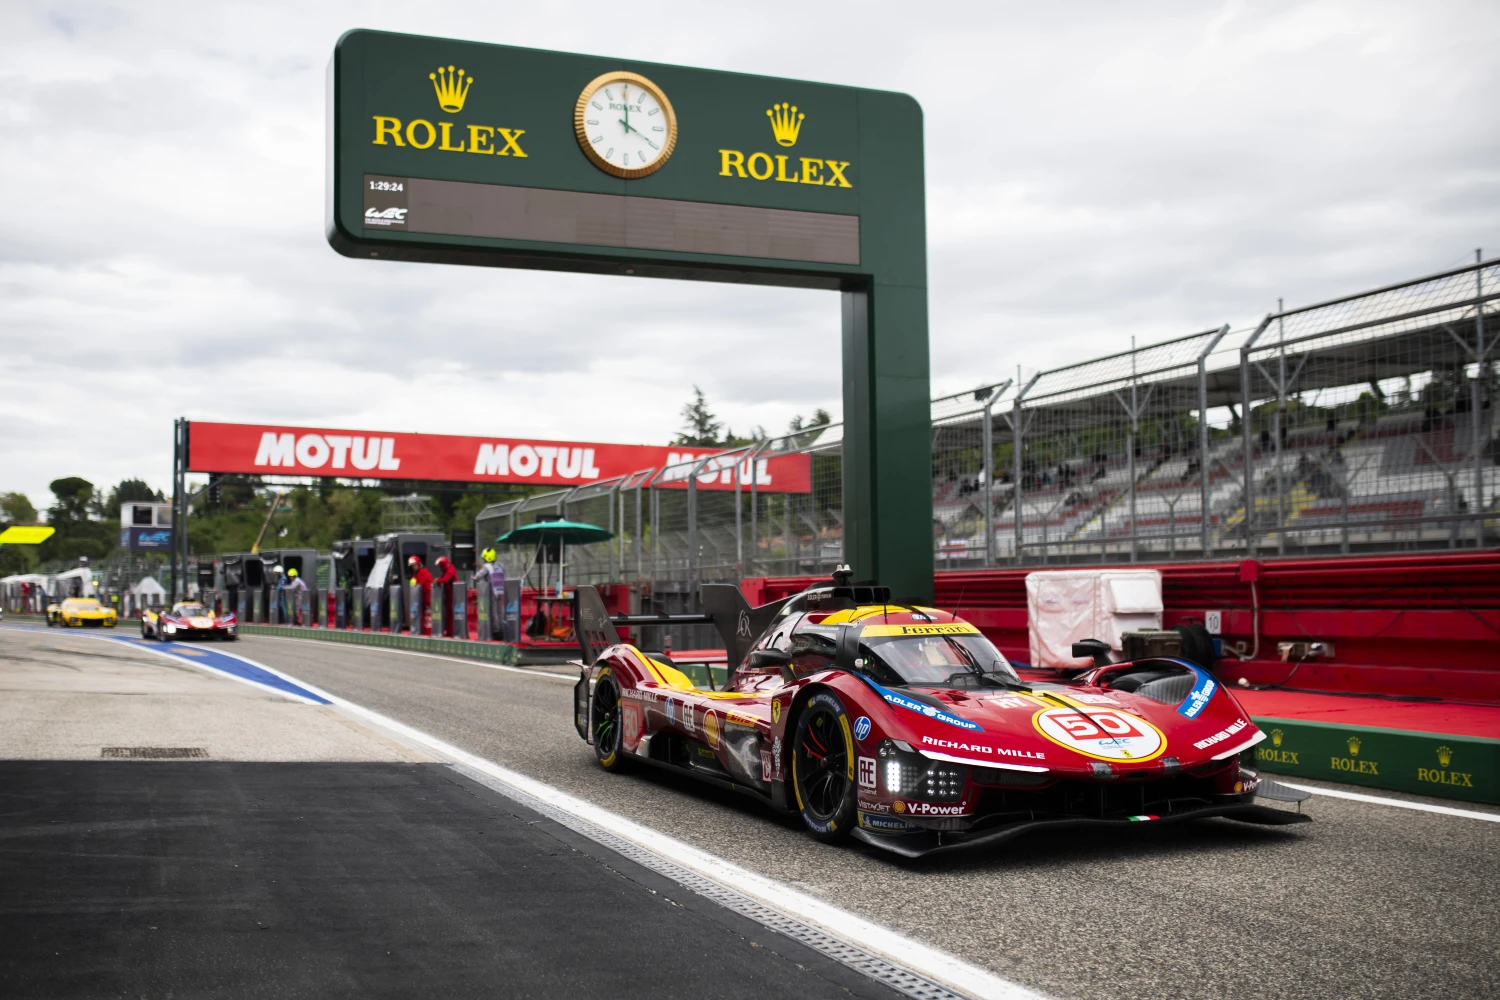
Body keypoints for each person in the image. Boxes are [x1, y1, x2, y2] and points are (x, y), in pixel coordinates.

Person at [407, 555, 433, 636]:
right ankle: (421, 629)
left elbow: (420, 583)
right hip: (421, 596)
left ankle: (428, 629)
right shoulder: (416, 574)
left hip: (427, 595)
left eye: (415, 565)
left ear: (418, 564)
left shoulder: (423, 572)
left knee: (429, 612)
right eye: (412, 566)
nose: (414, 567)